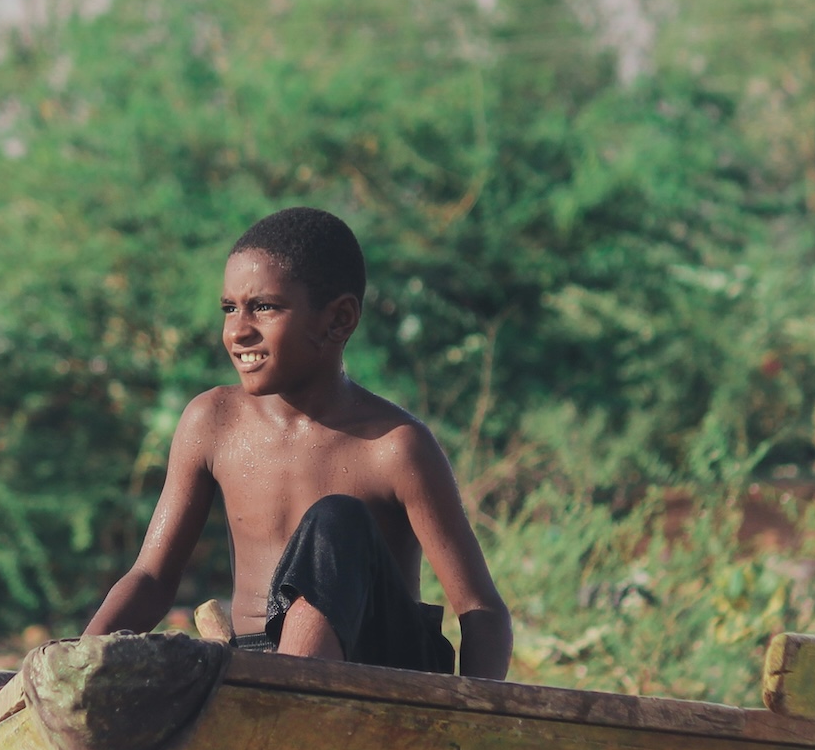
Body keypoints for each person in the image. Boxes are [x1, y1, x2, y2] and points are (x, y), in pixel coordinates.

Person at [82, 207, 513, 678]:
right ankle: (283, 692)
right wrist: (71, 667)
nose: (238, 330)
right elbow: (151, 578)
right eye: (229, 308)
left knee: (336, 518)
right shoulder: (212, 422)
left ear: (339, 319)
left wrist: (473, 719)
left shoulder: (394, 446)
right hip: (257, 666)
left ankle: (291, 696)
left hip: (379, 670)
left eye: (264, 307)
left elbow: (481, 610)